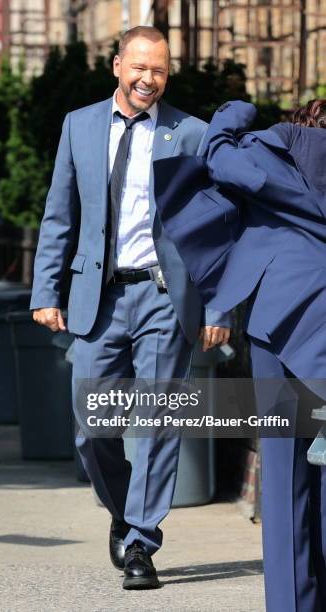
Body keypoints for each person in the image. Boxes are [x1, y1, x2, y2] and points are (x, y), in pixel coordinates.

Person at [30, 25, 230, 591]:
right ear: (117, 66)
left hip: (166, 297)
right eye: (140, 68)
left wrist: (217, 305)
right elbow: (59, 215)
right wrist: (46, 291)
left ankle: (142, 541)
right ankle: (122, 511)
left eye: (160, 70)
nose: (149, 79)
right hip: (99, 296)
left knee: (159, 422)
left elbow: (214, 230)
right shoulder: (80, 125)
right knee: (91, 425)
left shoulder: (190, 134)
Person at [154, 99, 326, 611]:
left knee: (284, 474)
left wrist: (235, 111)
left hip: (285, 320)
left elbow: (219, 157)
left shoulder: (279, 150)